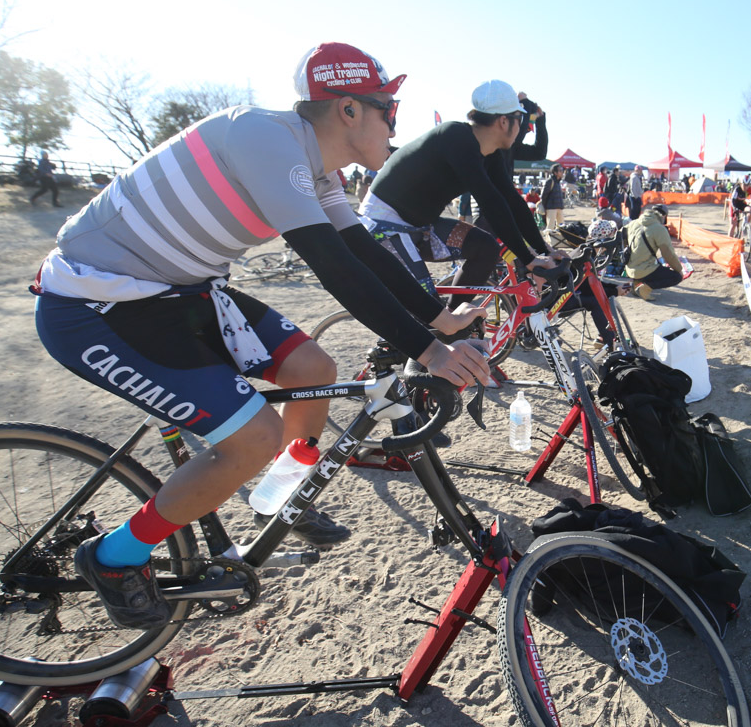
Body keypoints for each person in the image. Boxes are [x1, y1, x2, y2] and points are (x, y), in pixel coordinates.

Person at [32, 42, 491, 630]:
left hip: (178, 292)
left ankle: (277, 497)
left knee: (313, 369)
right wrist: (429, 349)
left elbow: (361, 251)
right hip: (95, 304)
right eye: (390, 109)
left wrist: (435, 319)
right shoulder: (264, 138)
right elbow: (334, 266)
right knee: (254, 436)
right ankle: (114, 557)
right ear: (348, 109)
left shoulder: (317, 168)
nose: (394, 123)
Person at [358, 79, 557, 308]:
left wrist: (544, 250)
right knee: (429, 312)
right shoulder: (455, 136)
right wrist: (529, 258)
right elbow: (492, 204)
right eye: (520, 119)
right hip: (384, 224)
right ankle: (441, 329)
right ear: (504, 121)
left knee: (486, 248)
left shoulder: (489, 153)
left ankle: (454, 321)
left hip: (421, 225)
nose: (522, 127)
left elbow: (511, 201)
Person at [625, 203, 683, 301]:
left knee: (650, 266)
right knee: (676, 277)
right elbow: (668, 254)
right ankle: (644, 288)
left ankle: (636, 285)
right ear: (664, 216)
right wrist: (679, 269)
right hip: (643, 269)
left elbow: (623, 238)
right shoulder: (659, 229)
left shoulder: (633, 223)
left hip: (629, 269)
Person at [540, 163, 566, 232]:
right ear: (555, 172)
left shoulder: (558, 182)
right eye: (560, 171)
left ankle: (559, 242)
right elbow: (543, 196)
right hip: (551, 208)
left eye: (562, 170)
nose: (562, 172)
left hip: (559, 208)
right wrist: (545, 207)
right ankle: (547, 241)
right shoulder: (550, 181)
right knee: (550, 228)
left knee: (562, 228)